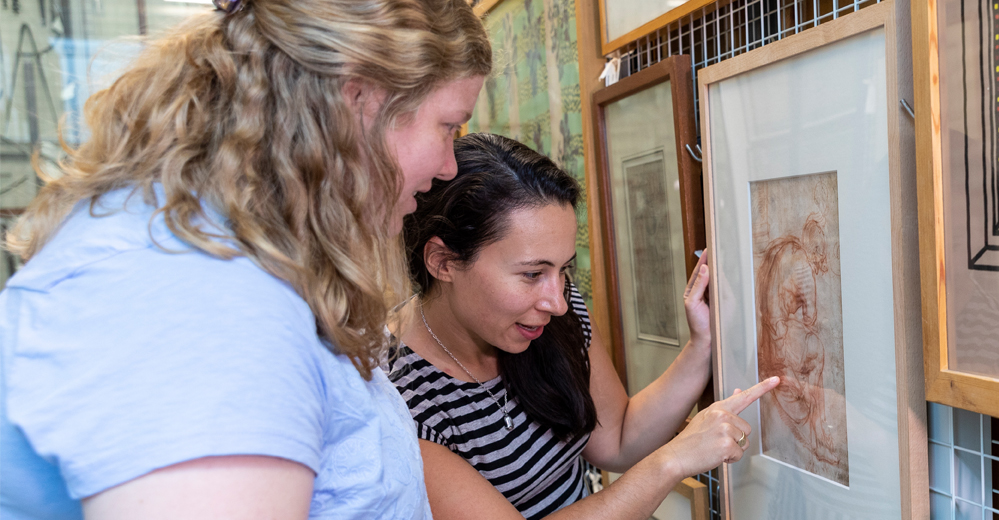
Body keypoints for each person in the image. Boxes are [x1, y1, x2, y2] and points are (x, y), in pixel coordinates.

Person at [0, 0, 490, 517]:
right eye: (448, 127)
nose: (447, 166)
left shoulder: (230, 255)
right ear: (359, 99)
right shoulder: (197, 297)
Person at [385, 133, 778, 519]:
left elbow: (618, 440)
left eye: (563, 269)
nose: (556, 302)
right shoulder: (395, 398)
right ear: (443, 262)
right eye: (532, 273)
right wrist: (671, 461)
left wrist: (702, 345)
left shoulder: (550, 311)